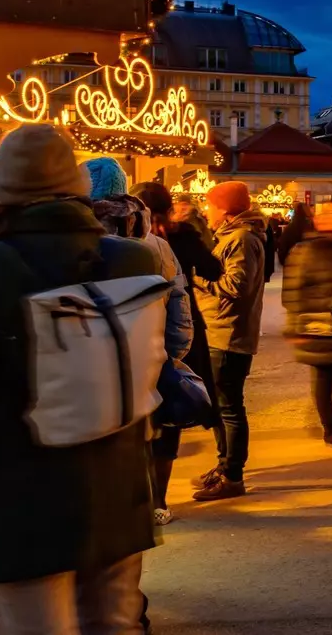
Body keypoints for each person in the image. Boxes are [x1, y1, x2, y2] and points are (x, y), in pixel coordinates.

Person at [0, 125, 163, 629]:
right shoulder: (132, 258)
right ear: (76, 182)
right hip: (117, 487)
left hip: (19, 496)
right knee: (115, 624)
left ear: (2, 187)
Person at [191, 180, 267, 502]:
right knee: (222, 407)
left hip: (229, 334)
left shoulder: (241, 239)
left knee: (229, 408)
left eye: (210, 205)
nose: (206, 211)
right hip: (221, 329)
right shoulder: (232, 236)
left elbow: (235, 286)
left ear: (224, 209)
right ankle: (224, 467)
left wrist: (195, 278)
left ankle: (233, 475)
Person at [133, 181, 196, 523]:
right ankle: (157, 500)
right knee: (164, 424)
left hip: (120, 358)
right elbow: (179, 304)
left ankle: (138, 501)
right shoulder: (160, 244)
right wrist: (173, 353)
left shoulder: (87, 244)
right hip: (156, 349)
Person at [282, 200, 332, 449]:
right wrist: (294, 325)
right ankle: (331, 428)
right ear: (317, 219)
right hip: (319, 324)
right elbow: (293, 290)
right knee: (324, 379)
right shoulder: (305, 251)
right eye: (330, 214)